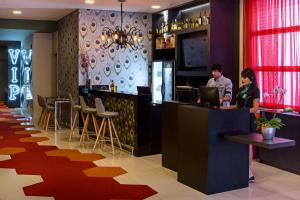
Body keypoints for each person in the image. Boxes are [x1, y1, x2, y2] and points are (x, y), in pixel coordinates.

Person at [223, 67, 260, 182]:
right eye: (242, 77)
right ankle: (242, 170)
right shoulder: (240, 90)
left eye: (245, 77)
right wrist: (225, 107)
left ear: (251, 78)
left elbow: (255, 109)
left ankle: (248, 172)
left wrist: (241, 111)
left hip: (248, 120)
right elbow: (237, 106)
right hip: (239, 119)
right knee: (239, 144)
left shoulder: (255, 90)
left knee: (247, 145)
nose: (242, 79)